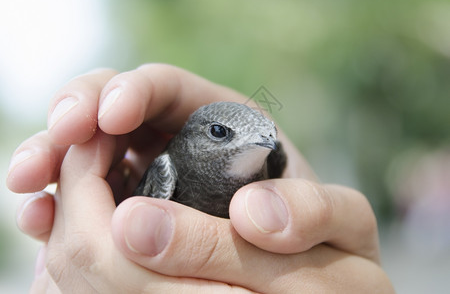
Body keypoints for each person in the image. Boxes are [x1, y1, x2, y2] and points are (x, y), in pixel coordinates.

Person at [7, 64, 394, 293]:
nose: (260, 144)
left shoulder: (271, 167)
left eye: (265, 137)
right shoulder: (165, 170)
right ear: (193, 137)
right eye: (222, 133)